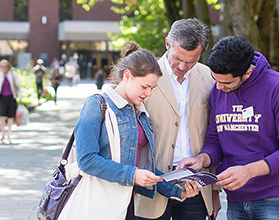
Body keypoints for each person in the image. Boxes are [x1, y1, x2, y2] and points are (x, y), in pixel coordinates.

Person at [60, 42, 200, 220]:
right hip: (95, 204)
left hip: (125, 205)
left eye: (152, 88)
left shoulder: (140, 112)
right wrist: (132, 175)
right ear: (128, 75)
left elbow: (142, 166)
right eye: (145, 86)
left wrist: (179, 191)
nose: (148, 93)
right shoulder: (96, 105)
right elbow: (86, 160)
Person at [178, 36, 279, 220]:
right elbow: (216, 141)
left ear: (247, 73)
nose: (220, 87)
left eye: (227, 83)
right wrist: (202, 159)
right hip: (236, 197)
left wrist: (249, 171)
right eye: (216, 80)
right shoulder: (218, 91)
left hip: (275, 197)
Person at [135, 18, 219, 220]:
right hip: (152, 182)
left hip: (195, 186)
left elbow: (215, 134)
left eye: (191, 61)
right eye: (177, 58)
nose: (182, 66)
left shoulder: (209, 77)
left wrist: (214, 191)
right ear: (167, 44)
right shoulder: (145, 76)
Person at [0, 59, 22, 143]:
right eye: (3, 66)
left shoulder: (12, 74)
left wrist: (20, 98)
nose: (4, 68)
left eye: (6, 66)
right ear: (0, 67)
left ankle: (9, 133)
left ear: (9, 67)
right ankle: (2, 134)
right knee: (1, 116)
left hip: (11, 97)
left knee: (10, 117)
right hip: (2, 98)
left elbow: (18, 86)